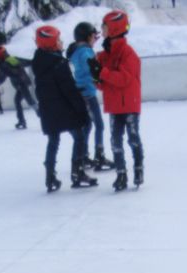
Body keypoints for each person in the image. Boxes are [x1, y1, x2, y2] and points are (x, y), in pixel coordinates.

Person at [31, 25, 97, 192]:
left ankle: (50, 176)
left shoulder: (39, 62)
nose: (61, 43)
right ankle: (78, 173)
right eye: (58, 40)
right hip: (64, 110)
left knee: (53, 141)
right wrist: (82, 110)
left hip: (49, 111)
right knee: (80, 136)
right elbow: (69, 90)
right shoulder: (58, 63)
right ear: (51, 44)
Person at [88, 10, 143, 191]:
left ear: (113, 29)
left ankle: (138, 168)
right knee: (115, 141)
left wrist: (102, 72)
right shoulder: (104, 55)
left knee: (133, 138)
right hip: (114, 105)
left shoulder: (128, 54)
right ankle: (121, 174)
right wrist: (96, 78)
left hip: (129, 104)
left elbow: (123, 79)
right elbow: (106, 85)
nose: (101, 30)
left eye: (103, 27)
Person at [67, 21, 115, 171]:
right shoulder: (86, 52)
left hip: (79, 93)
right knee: (99, 125)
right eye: (94, 37)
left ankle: (83, 155)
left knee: (87, 125)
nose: (95, 40)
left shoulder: (74, 52)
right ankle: (99, 156)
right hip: (88, 93)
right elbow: (94, 70)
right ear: (87, 37)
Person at [0, 46, 38, 130]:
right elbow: (26, 62)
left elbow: (4, 76)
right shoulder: (12, 59)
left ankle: (44, 117)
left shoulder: (4, 64)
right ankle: (22, 121)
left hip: (20, 84)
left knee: (30, 101)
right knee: (18, 101)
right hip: (22, 82)